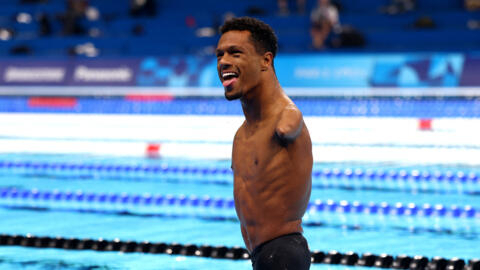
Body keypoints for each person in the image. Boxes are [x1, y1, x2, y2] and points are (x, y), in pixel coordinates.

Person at [216, 17, 313, 270]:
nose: (224, 61)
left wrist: (290, 122)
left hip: (284, 255)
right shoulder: (241, 134)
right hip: (261, 256)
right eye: (220, 54)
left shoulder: (287, 117)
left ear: (266, 61)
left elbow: (291, 122)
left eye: (235, 53)